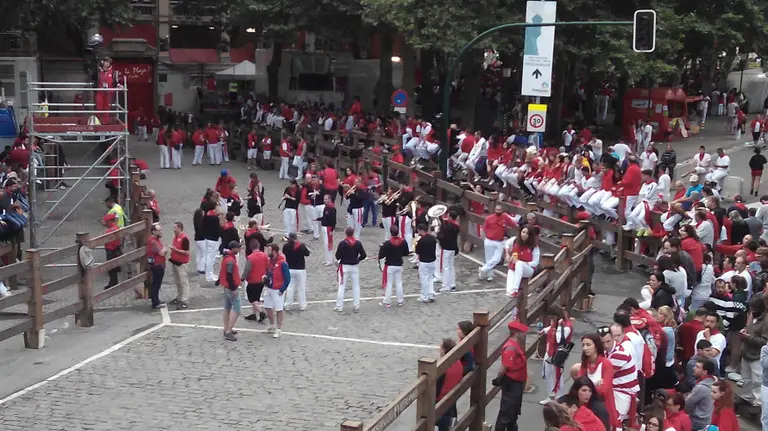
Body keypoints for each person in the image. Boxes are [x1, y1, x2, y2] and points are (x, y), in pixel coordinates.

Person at [492, 321, 528, 431]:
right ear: (517, 333)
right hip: (512, 384)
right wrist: (498, 379)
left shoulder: (514, 346)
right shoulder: (510, 349)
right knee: (507, 412)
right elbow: (505, 366)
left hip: (516, 383)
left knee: (513, 412)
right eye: (523, 332)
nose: (525, 334)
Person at [577, 333, 618, 430]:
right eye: (583, 345)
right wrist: (595, 384)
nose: (585, 348)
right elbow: (578, 384)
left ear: (596, 346)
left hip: (603, 408)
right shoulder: (585, 363)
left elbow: (604, 391)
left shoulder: (606, 363)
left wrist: (587, 387)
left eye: (588, 345)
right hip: (587, 407)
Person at [539, 306, 573, 404]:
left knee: (557, 376)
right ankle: (552, 395)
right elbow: (552, 327)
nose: (551, 319)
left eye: (552, 317)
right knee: (546, 374)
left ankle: (560, 398)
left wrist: (558, 326)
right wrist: (544, 330)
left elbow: (558, 339)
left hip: (558, 354)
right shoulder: (556, 322)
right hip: (549, 352)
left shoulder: (566, 327)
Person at [479, 205, 518, 281]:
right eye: (497, 210)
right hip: (489, 240)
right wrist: (484, 239)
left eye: (499, 210)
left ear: (502, 210)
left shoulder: (505, 217)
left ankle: (483, 269)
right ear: (494, 210)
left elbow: (514, 224)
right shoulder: (489, 218)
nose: (498, 211)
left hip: (499, 241)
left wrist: (520, 227)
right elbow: (483, 229)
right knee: (489, 259)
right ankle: (489, 275)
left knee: (497, 258)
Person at [334, 226, 366, 313]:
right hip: (354, 267)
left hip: (344, 266)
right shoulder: (358, 243)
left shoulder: (342, 243)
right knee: (356, 286)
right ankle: (356, 306)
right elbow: (363, 255)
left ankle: (339, 306)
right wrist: (358, 260)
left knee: (341, 286)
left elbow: (337, 256)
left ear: (345, 233)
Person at [504, 226, 540, 299]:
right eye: (523, 232)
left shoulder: (534, 247)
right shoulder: (515, 240)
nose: (524, 234)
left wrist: (522, 262)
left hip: (528, 269)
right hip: (513, 267)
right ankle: (513, 306)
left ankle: (515, 289)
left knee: (519, 264)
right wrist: (507, 254)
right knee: (509, 291)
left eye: (527, 233)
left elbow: (535, 263)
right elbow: (507, 243)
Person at [435, 338, 463, 431]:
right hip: (452, 395)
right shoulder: (458, 362)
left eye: (440, 347)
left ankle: (448, 421)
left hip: (441, 398)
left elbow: (437, 387)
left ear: (444, 349)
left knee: (429, 417)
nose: (439, 349)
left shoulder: (443, 367)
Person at [378, 225, 409, 307]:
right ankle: (400, 301)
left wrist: (381, 248)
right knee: (399, 283)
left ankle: (387, 301)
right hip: (399, 264)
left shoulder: (387, 243)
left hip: (390, 265)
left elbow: (381, 256)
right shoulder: (403, 242)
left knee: (389, 284)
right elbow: (406, 253)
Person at [217, 240, 242, 341]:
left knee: (227, 307)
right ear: (234, 248)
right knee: (237, 308)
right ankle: (228, 331)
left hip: (226, 286)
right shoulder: (230, 260)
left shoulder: (227, 257)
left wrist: (219, 280)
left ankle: (226, 328)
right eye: (238, 248)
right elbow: (229, 275)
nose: (239, 249)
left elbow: (223, 271)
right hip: (230, 287)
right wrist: (234, 288)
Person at [265, 243, 290, 338]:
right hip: (269, 287)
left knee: (279, 309)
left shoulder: (282, 263)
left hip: (277, 289)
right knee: (267, 306)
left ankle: (279, 329)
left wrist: (282, 289)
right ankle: (272, 325)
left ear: (274, 251)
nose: (267, 252)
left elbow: (287, 278)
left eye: (269, 250)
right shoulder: (270, 261)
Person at [242, 241, 268, 323]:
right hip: (262, 280)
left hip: (253, 280)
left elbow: (247, 270)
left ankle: (261, 312)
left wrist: (242, 278)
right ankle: (254, 314)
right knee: (256, 297)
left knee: (251, 298)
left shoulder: (251, 257)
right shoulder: (264, 255)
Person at [685, 359, 716, 431]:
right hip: (706, 420)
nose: (694, 368)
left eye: (697, 367)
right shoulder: (713, 382)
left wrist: (687, 414)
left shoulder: (701, 388)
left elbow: (688, 403)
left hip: (696, 422)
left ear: (705, 372)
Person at [282, 232, 310, 311]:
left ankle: (288, 305)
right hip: (300, 269)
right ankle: (303, 305)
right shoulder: (301, 246)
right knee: (301, 287)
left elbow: (284, 252)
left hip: (290, 268)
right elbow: (307, 254)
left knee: (290, 287)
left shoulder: (286, 246)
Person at [437, 210, 460, 293]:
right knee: (451, 267)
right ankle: (452, 284)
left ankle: (445, 286)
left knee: (445, 267)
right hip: (453, 248)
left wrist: (438, 235)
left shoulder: (448, 227)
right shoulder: (456, 226)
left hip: (446, 248)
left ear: (450, 217)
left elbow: (443, 237)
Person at [169, 221, 191, 309]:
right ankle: (179, 297)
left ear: (179, 228)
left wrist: (176, 250)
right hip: (175, 263)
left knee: (183, 282)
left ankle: (185, 299)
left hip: (182, 264)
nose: (173, 229)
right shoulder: (176, 237)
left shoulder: (184, 239)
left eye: (175, 227)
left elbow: (187, 252)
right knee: (178, 282)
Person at [146, 222, 167, 310]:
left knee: (156, 284)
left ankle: (156, 300)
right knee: (156, 284)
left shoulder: (155, 240)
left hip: (157, 264)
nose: (161, 232)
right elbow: (162, 253)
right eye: (159, 230)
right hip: (157, 265)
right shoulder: (153, 242)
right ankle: (155, 302)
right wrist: (164, 250)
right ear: (154, 232)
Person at [415, 223, 438, 303]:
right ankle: (431, 294)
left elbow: (417, 251)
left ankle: (425, 296)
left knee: (424, 279)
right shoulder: (433, 238)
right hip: (432, 261)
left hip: (424, 262)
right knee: (430, 278)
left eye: (418, 230)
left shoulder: (421, 240)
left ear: (421, 230)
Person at [200, 200, 221, 282]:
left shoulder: (206, 215)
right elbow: (217, 229)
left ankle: (209, 274)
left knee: (208, 256)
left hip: (207, 238)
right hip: (213, 239)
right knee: (211, 258)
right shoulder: (214, 218)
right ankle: (209, 275)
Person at [102, 212, 122, 290]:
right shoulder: (117, 228)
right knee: (115, 267)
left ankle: (113, 283)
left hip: (111, 250)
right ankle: (113, 282)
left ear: (110, 221)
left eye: (106, 221)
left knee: (111, 267)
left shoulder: (109, 231)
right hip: (117, 249)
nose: (105, 223)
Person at [319, 193, 337, 265]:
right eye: (324, 199)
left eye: (326, 199)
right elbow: (324, 217)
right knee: (325, 244)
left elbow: (333, 220)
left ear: (330, 199)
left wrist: (332, 229)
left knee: (328, 244)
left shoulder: (332, 208)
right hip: (324, 226)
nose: (325, 200)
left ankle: (330, 260)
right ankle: (327, 259)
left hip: (328, 228)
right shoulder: (326, 207)